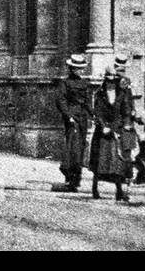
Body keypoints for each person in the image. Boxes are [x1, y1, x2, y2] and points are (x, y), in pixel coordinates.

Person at [90, 67, 133, 202]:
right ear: (105, 81)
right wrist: (103, 126)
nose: (111, 84)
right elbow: (98, 113)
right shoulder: (100, 94)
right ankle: (95, 187)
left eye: (113, 81)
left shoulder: (121, 95)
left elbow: (125, 112)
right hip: (103, 131)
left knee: (118, 161)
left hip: (116, 130)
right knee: (100, 160)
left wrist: (119, 126)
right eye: (108, 81)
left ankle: (119, 191)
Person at [53, 54, 91, 193]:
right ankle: (69, 177)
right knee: (72, 147)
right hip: (72, 118)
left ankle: (76, 179)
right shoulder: (65, 83)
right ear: (71, 68)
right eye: (76, 68)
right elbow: (61, 101)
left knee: (80, 148)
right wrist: (68, 116)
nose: (79, 71)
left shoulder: (84, 83)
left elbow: (87, 102)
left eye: (81, 68)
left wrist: (93, 114)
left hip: (82, 118)